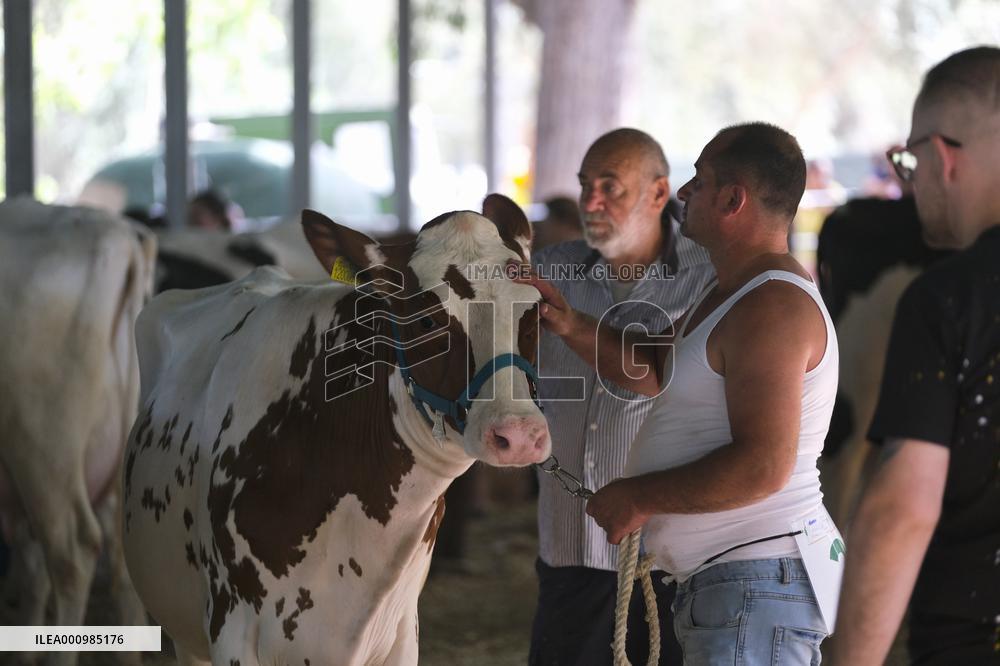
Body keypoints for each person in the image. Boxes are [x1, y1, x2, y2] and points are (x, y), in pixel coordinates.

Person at [523, 122, 840, 664]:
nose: (686, 192)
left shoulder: (771, 306)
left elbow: (764, 466)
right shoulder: (735, 293)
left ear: (733, 200)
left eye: (699, 178)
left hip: (754, 583)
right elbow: (652, 366)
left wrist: (639, 496)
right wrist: (569, 323)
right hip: (737, 585)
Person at [831, 46, 1000, 665]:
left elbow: (903, 510)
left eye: (910, 160)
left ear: (944, 157)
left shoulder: (950, 298)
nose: (912, 178)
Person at [529, 128, 715, 665]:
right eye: (585, 185)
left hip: (673, 557)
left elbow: (661, 373)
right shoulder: (549, 270)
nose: (591, 202)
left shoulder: (710, 277)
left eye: (610, 187)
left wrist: (571, 326)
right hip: (570, 547)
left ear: (658, 193)